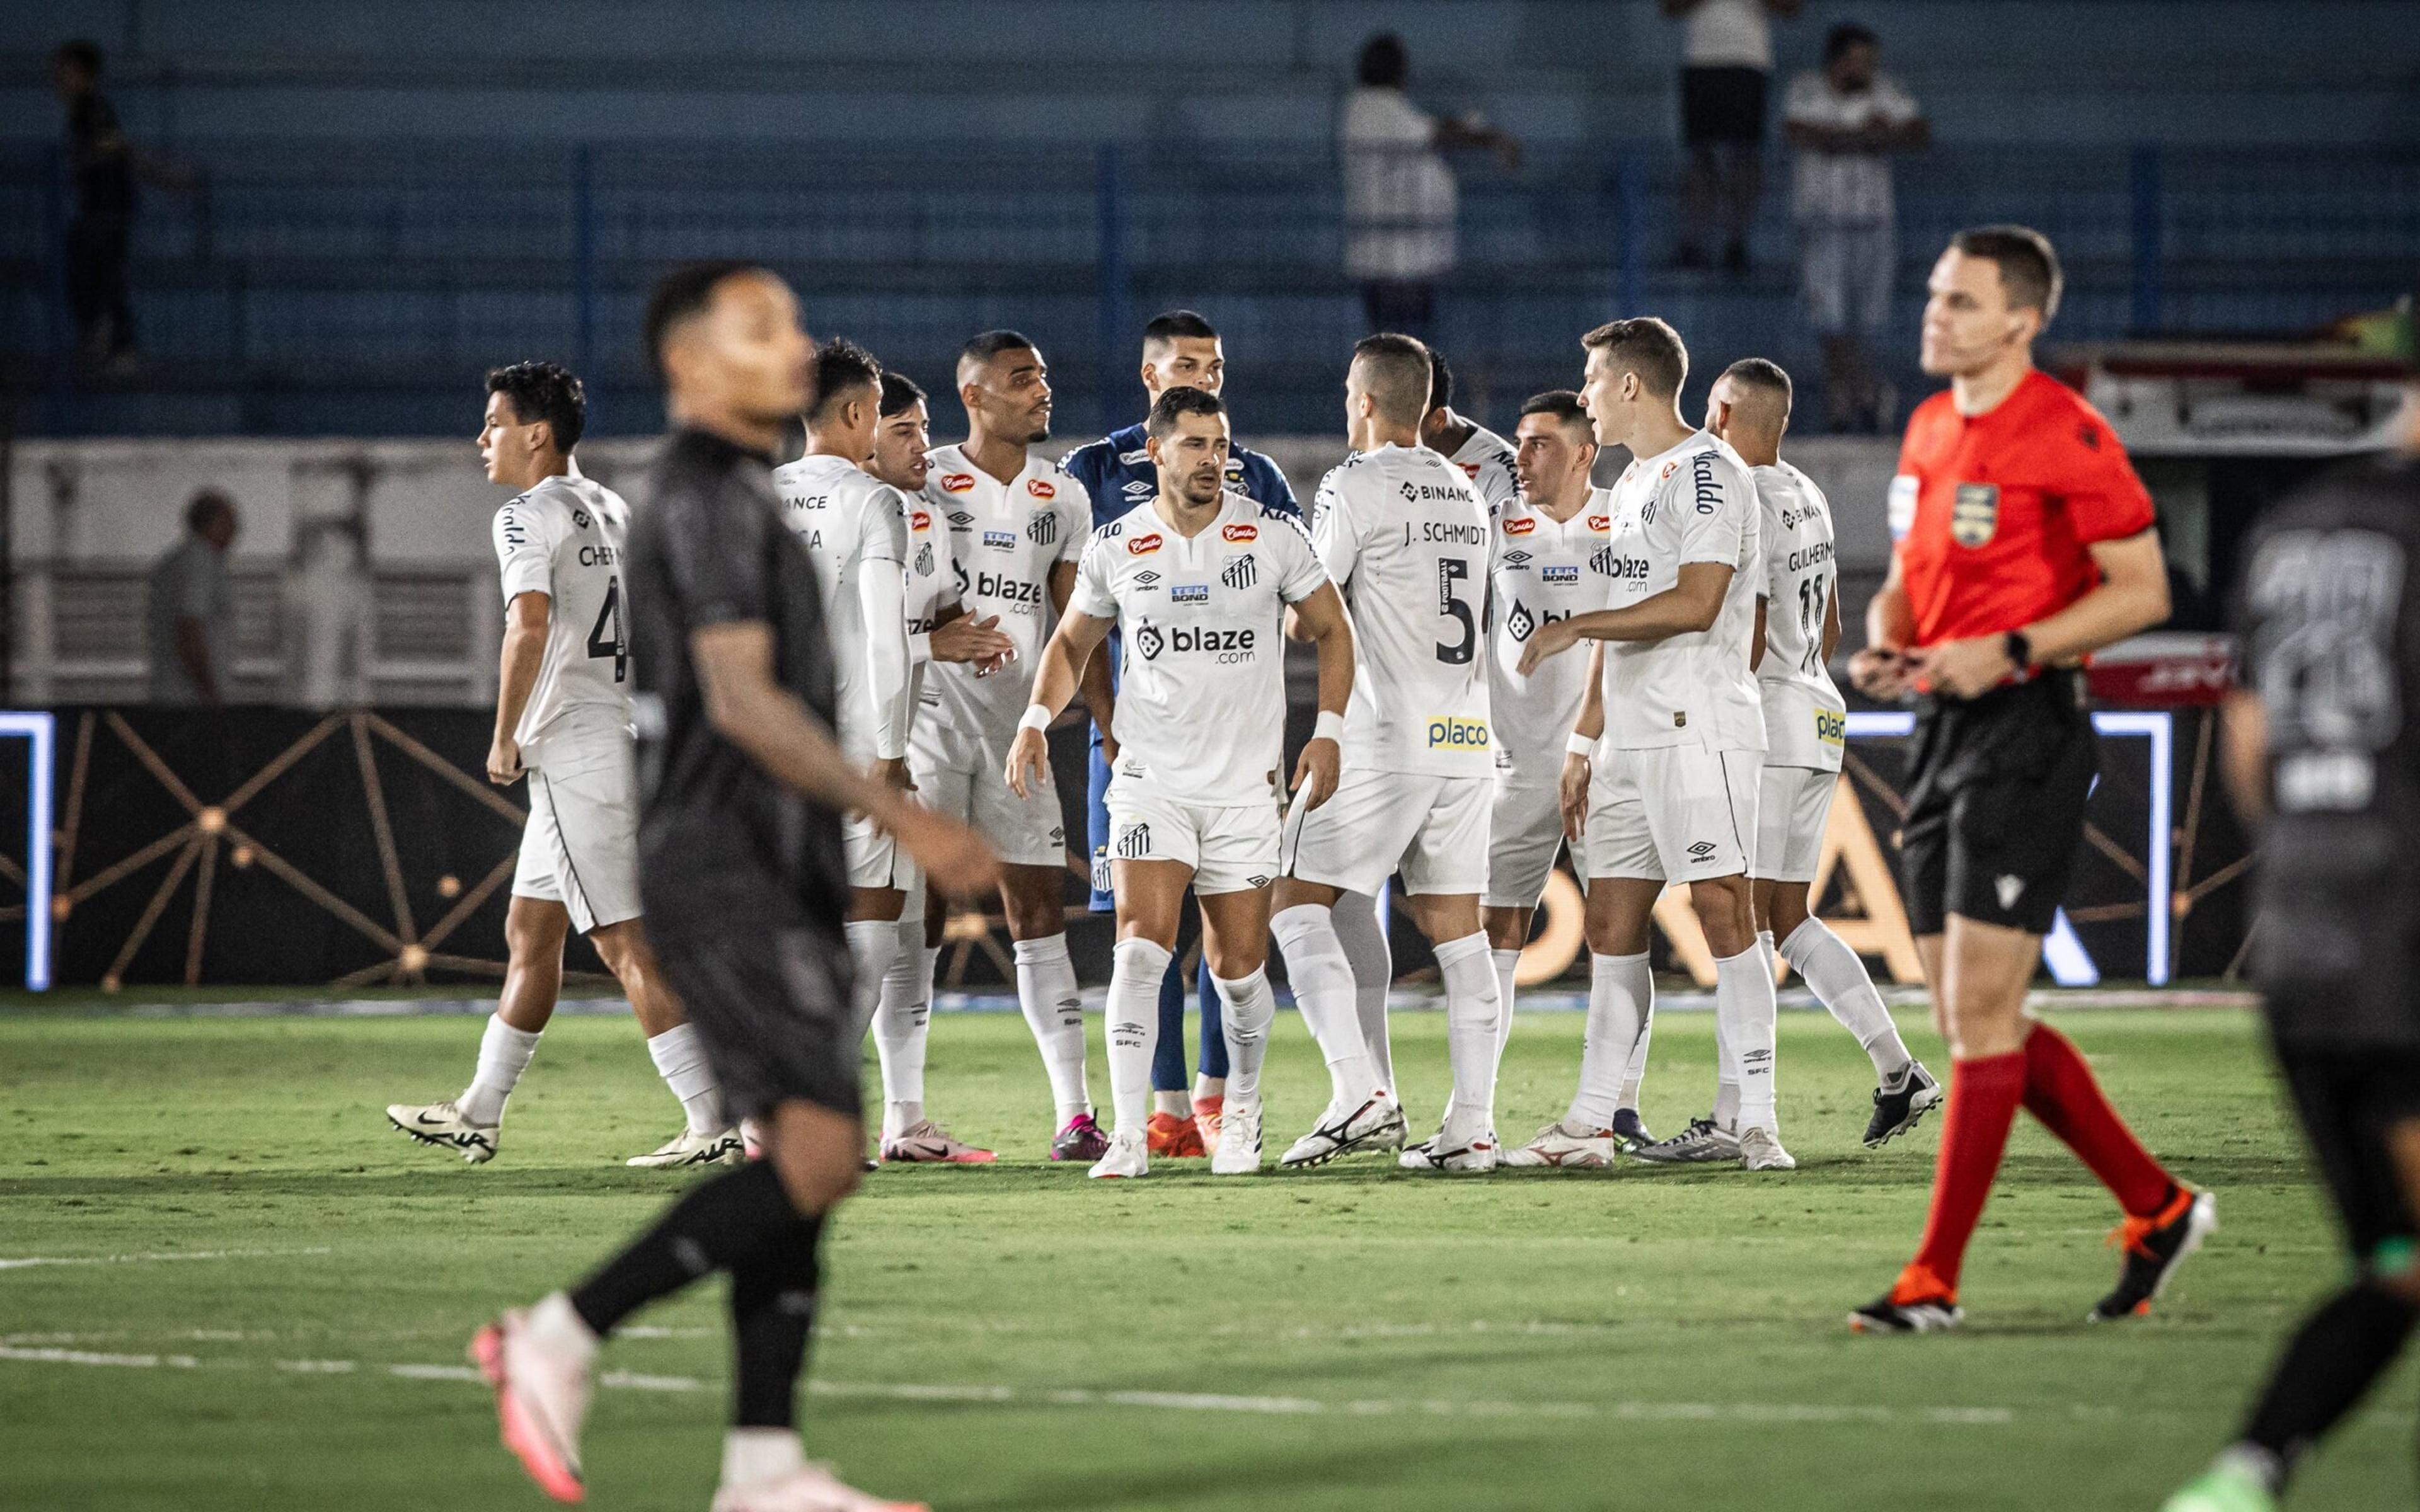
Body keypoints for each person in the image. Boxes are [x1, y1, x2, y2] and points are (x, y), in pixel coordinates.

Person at [472, 261, 1000, 1512]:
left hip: (780, 864)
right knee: (819, 1155)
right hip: (724, 867)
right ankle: (561, 1335)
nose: (794, 345)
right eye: (760, 329)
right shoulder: (703, 497)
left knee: (804, 1164)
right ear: (693, 365)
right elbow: (743, 699)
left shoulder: (751, 495)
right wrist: (903, 817)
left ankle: (765, 1466)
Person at [1844, 226, 2210, 1333]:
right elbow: (1911, 585)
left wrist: (2011, 650)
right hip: (1947, 727)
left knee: (1983, 1020)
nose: (1935, 314)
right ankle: (2158, 1207)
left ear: (2022, 319)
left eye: (1960, 301)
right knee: (1971, 1017)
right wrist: (1885, 641)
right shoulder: (1924, 427)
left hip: (2030, 730)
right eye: (1934, 296)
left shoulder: (2067, 431)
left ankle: (1934, 1283)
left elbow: (2143, 590)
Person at [2163, 358, 2420, 1512]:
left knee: (2400, 1264)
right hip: (2409, 945)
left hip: (2310, 945)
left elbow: (2251, 754)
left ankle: (2246, 1473)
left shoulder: (2294, 525)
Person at [386, 361, 739, 1171]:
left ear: (536, 433)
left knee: (625, 941)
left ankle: (710, 1115)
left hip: (573, 741)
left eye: (495, 423)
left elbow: (529, 627)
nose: (482, 439)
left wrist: (504, 731)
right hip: (609, 732)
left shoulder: (524, 516)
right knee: (530, 931)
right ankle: (479, 1111)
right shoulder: (611, 505)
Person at [1010, 386, 1357, 1179]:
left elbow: (1334, 630)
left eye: (1221, 444)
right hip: (1150, 781)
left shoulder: (1273, 537)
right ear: (1157, 452)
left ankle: (1240, 1114)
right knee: (1139, 951)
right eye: (1196, 444)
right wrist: (1035, 717)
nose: (1213, 459)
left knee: (1238, 972)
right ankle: (1129, 1132)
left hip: (1243, 789)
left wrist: (1328, 732)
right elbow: (1071, 643)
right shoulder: (1118, 544)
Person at [1512, 318, 1790, 1174]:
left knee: (1720, 911)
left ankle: (1757, 1120)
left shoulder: (1709, 473)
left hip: (1696, 730)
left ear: (1631, 386)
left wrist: (1573, 625)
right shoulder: (1633, 483)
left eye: (1592, 380)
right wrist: (1584, 740)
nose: (1585, 394)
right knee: (1609, 922)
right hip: (1628, 741)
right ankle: (1594, 1122)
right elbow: (1623, 630)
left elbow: (1699, 601)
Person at [1063, 309, 1299, 1160]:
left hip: (1233, 752)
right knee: (1142, 928)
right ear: (1150, 377)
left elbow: (1298, 598)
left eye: (1219, 364)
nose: (1208, 375)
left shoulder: (1258, 478)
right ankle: (1157, 1109)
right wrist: (1106, 722)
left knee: (1232, 939)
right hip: (1132, 746)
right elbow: (1075, 613)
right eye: (1190, 363)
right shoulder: (1092, 470)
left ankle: (1216, 1100)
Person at [1269, 333, 1503, 1174]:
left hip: (1383, 734)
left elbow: (1310, 609)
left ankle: (1358, 1092)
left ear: (1364, 401)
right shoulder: (1465, 489)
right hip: (1467, 737)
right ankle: (1471, 1127)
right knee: (1457, 932)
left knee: (1294, 901)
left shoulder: (1354, 483)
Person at [775, 343, 1010, 1165]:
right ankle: (811, 1115)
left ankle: (870, 1118)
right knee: (873, 927)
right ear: (854, 417)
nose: (907, 438)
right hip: (855, 744)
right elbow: (886, 638)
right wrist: (887, 754)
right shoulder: (872, 505)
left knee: (831, 927)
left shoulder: (759, 498)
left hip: (770, 746)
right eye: (888, 417)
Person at [1707, 357, 1940, 1148]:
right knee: (1783, 917)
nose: (1706, 425)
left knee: (1743, 925)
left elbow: (1758, 630)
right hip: (1819, 713)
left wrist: (1720, 701)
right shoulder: (1808, 494)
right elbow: (1832, 625)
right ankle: (1897, 1070)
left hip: (1768, 724)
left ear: (1732, 417)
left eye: (1714, 410)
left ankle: (1735, 1114)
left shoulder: (1744, 502)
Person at [917, 331, 1106, 1162]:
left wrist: (1107, 717)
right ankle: (902, 1114)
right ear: (975, 394)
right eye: (1022, 378)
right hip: (925, 720)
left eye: (1045, 375)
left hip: (1017, 732)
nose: (1042, 390)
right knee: (913, 918)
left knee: (1035, 913)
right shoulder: (919, 476)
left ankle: (1074, 1113)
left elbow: (1075, 625)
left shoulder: (1061, 496)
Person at [1477, 392, 1656, 1165]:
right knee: (1494, 931)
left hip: (1605, 762)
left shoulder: (1629, 518)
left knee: (1619, 938)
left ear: (1586, 453)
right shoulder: (1493, 527)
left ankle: (1620, 1106)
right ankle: (1472, 1106)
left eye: (1542, 443)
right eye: (1520, 442)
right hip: (1512, 765)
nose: (1523, 457)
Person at [860, 369, 1018, 1162]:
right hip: (839, 756)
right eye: (906, 432)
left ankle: (904, 1119)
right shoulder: (832, 513)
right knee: (848, 939)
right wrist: (936, 644)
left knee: (898, 936)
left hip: (896, 753)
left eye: (925, 428)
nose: (927, 446)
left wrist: (973, 637)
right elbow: (834, 647)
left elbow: (938, 612)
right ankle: (757, 1116)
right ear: (860, 434)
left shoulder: (921, 514)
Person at [1783, 23, 1928, 432]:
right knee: (1828, 319)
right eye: (1858, 62)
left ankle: (1847, 403)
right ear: (1837, 61)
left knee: (1864, 321)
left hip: (1873, 223)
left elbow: (1918, 130)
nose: (1866, 70)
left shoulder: (1884, 91)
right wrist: (1863, 136)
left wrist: (1883, 134)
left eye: (1870, 62)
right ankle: (1859, 394)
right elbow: (1799, 131)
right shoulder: (1807, 90)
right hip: (1821, 222)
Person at [1340, 33, 1521, 339]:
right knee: (1398, 350)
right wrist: (1490, 138)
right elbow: (1434, 133)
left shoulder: (1378, 109)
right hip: (1394, 263)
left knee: (1407, 349)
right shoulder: (1373, 108)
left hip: (1406, 259)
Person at [1666, 0, 1802, 273]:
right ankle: (1694, 241)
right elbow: (1671, 8)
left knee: (1745, 154)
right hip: (1702, 61)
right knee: (1701, 155)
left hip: (1749, 61)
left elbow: (1791, 9)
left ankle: (1737, 242)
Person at [52, 40, 137, 369]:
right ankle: (103, 343)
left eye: (66, 72)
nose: (58, 80)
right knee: (88, 276)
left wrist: (78, 163)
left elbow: (113, 148)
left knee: (105, 278)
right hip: (98, 210)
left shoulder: (95, 110)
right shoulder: (81, 113)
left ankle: (120, 347)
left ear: (88, 76)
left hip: (107, 211)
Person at [146, 490, 238, 705]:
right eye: (230, 522)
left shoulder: (170, 563)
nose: (235, 531)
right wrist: (210, 693)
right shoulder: (202, 561)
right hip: (192, 701)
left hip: (166, 694)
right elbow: (190, 628)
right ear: (213, 523)